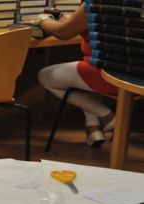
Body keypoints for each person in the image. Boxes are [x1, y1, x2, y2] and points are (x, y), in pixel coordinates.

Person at [34, 3, 117, 147]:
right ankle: (93, 129)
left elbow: (62, 33)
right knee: (77, 75)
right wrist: (72, 20)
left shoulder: (94, 4)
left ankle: (108, 116)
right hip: (132, 76)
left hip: (104, 75)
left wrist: (43, 20)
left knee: (45, 76)